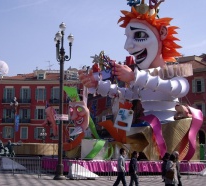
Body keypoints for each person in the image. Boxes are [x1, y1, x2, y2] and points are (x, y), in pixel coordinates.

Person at [78, 0, 194, 160]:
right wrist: (99, 85)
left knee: (130, 139)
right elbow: (128, 93)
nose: (128, 46)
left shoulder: (172, 71)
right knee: (125, 140)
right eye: (128, 37)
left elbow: (179, 87)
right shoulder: (142, 77)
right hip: (146, 127)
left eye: (139, 35)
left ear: (162, 33)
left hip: (168, 129)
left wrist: (135, 77)